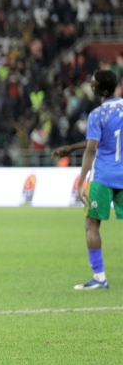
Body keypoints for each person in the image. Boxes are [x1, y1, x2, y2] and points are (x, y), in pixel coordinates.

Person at [75, 70, 123, 290]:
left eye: (92, 83)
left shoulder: (97, 114)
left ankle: (100, 278)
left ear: (102, 90)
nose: (90, 85)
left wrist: (81, 180)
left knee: (92, 224)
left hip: (103, 176)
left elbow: (91, 149)